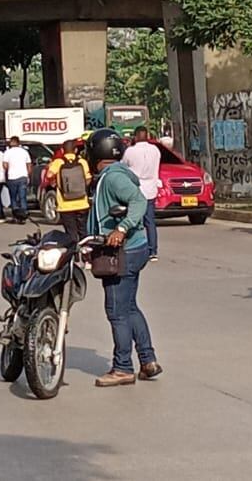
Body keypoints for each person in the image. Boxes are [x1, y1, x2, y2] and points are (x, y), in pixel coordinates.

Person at [86, 129, 158, 388]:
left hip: (123, 251)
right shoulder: (113, 174)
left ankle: (123, 367)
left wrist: (121, 228)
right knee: (129, 307)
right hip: (136, 249)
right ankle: (148, 360)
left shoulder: (113, 177)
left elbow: (138, 201)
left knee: (116, 311)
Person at [122, 126, 163, 262]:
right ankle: (153, 251)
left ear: (135, 136)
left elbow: (123, 167)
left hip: (135, 190)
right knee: (150, 222)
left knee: (133, 220)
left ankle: (134, 248)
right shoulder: (155, 150)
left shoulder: (130, 151)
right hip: (150, 189)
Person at [47, 138, 91, 238]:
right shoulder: (82, 162)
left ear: (62, 151)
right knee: (83, 232)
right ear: (76, 150)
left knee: (71, 234)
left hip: (65, 204)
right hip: (82, 203)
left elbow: (49, 175)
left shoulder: (58, 162)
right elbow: (88, 179)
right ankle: (85, 251)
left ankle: (73, 251)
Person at [2, 136, 33, 223]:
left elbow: (5, 165)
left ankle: (16, 216)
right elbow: (29, 165)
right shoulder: (24, 152)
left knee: (13, 197)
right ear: (18, 143)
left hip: (12, 177)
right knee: (22, 197)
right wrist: (28, 175)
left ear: (11, 143)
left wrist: (9, 169)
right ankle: (23, 215)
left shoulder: (7, 152)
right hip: (23, 176)